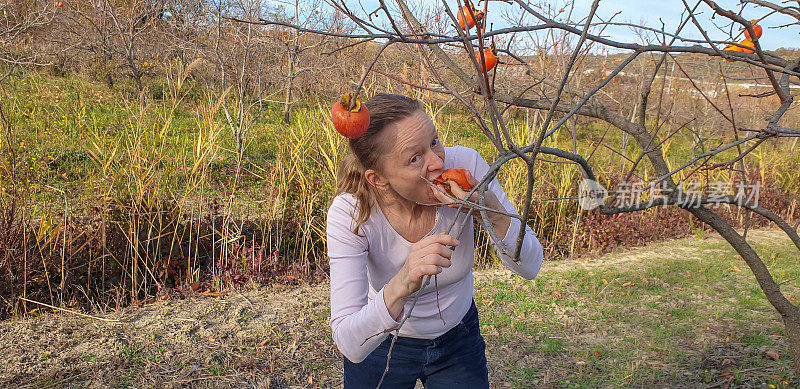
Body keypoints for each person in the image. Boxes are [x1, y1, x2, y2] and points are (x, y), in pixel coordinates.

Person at [326, 93, 543, 388]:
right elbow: (349, 343)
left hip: (459, 338)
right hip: (382, 342)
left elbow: (530, 266)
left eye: (434, 141)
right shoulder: (351, 213)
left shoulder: (467, 165)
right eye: (415, 158)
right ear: (379, 180)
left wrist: (492, 212)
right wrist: (403, 281)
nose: (438, 162)